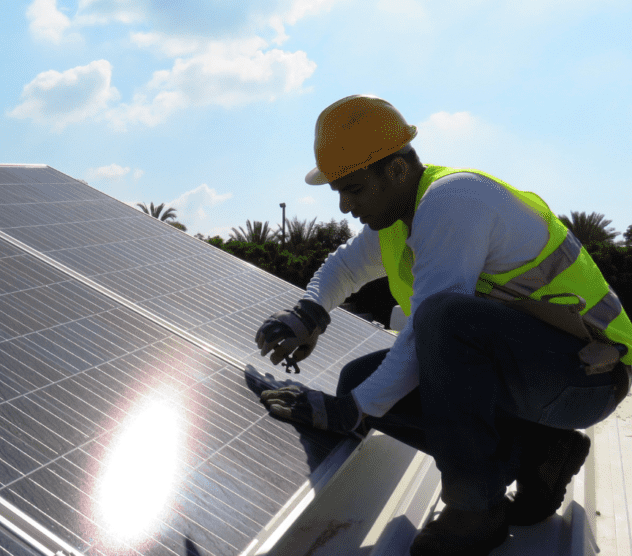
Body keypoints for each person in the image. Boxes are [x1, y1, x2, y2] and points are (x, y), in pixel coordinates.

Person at [254, 95, 632, 556]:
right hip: (538, 374)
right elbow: (346, 268)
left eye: (352, 189)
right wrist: (307, 314)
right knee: (360, 381)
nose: (344, 206)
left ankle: (475, 512)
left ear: (394, 171)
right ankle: (538, 452)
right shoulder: (399, 218)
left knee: (439, 322)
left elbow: (429, 325)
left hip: (588, 377)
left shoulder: (454, 199)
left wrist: (351, 410)